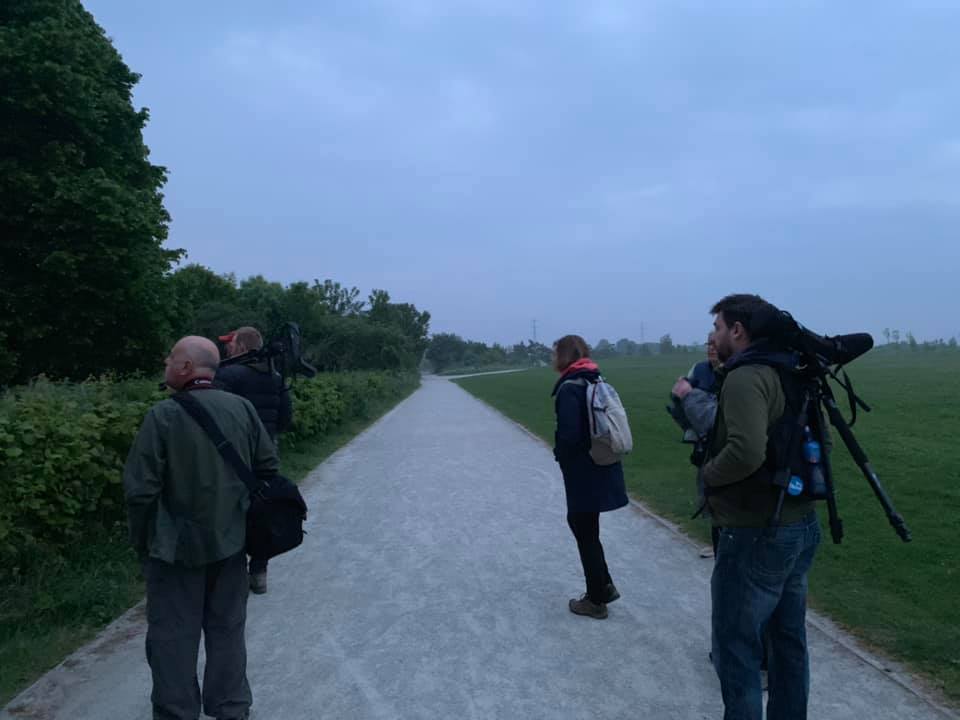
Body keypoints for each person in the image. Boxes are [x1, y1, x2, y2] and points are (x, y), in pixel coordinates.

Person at [124, 336, 278, 720]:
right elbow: (268, 469)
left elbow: (140, 491)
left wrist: (142, 543)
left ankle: (177, 713)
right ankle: (231, 708)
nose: (166, 363)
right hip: (231, 546)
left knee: (172, 639)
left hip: (173, 551)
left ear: (187, 368)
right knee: (227, 632)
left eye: (171, 359)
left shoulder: (162, 416)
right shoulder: (241, 408)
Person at [702, 294, 821, 720]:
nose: (714, 337)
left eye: (718, 327)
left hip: (755, 530)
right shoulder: (789, 369)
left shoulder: (746, 376)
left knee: (736, 648)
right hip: (800, 523)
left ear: (738, 330)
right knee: (788, 642)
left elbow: (746, 451)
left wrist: (708, 475)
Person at [551, 334, 628, 620]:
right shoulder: (594, 379)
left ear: (564, 355)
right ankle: (603, 587)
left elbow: (570, 435)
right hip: (601, 464)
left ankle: (596, 599)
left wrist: (561, 453)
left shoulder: (570, 386)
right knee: (588, 527)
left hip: (582, 470)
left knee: (582, 526)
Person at [216, 326, 292, 594]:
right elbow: (285, 419)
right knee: (261, 511)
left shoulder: (227, 375)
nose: (226, 348)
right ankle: (259, 572)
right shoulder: (276, 376)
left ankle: (230, 573)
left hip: (232, 453)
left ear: (241, 347)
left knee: (231, 510)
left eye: (231, 344)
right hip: (266, 450)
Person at [669, 333, 722, 558]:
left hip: (724, 446)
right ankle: (717, 543)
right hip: (703, 446)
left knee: (726, 496)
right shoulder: (699, 370)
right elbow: (678, 400)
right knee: (709, 494)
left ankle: (724, 548)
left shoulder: (736, 372)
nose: (711, 348)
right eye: (708, 344)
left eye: (715, 344)